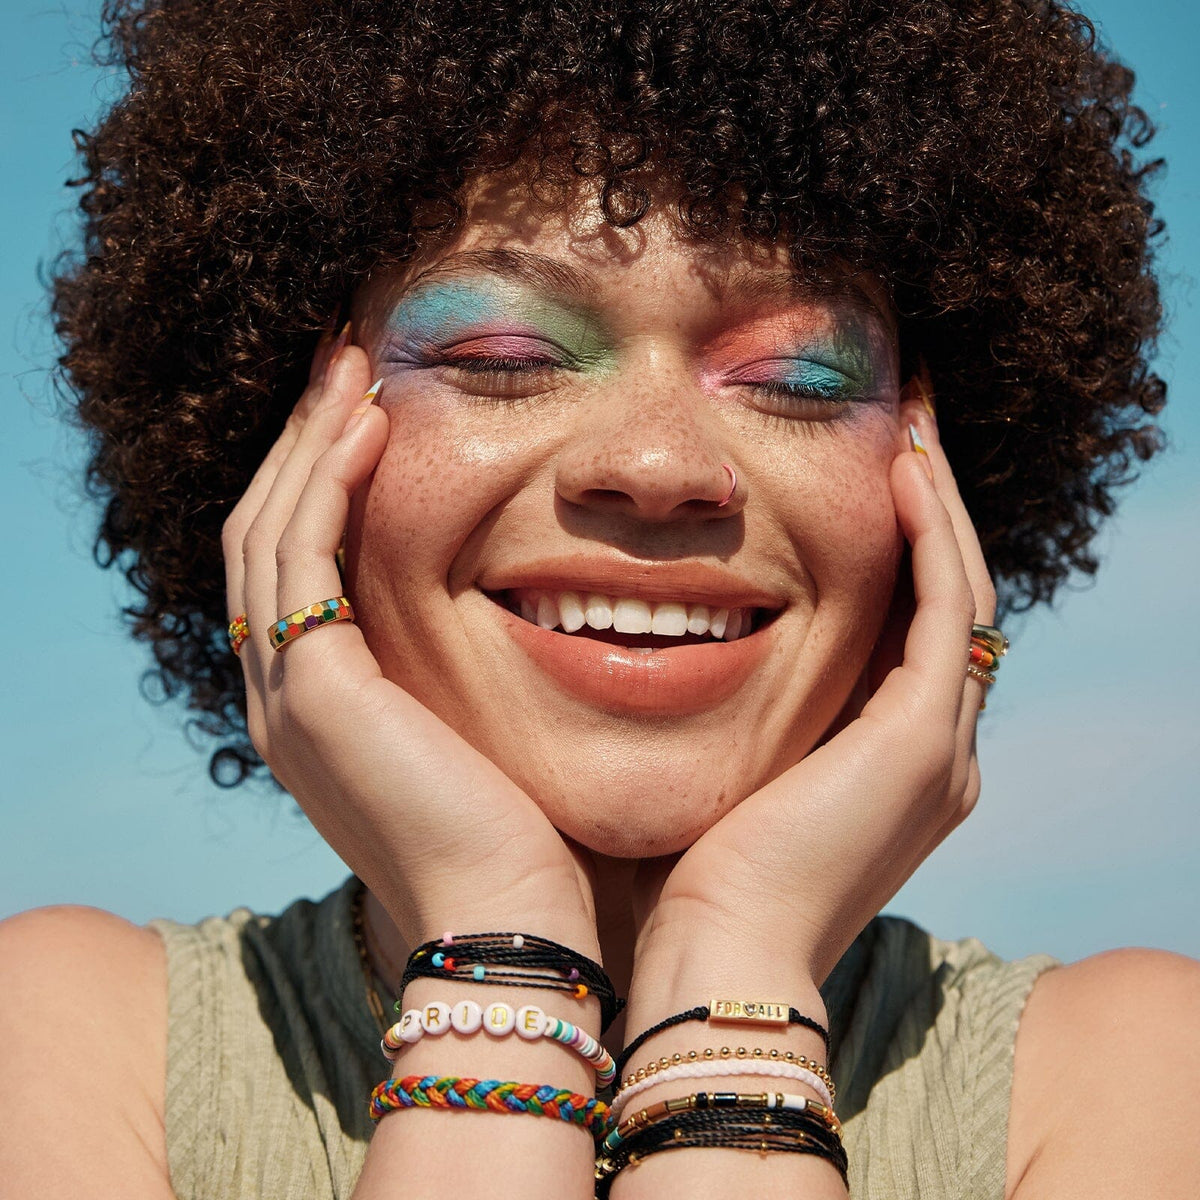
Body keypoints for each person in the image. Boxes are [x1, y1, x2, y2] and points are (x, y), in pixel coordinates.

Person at [3, 0, 1197, 1196]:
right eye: (501, 357)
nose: (661, 464)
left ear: (933, 470)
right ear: (286, 437)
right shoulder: (66, 1048)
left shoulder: (1132, 1080)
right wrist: (498, 940)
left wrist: (742, 951)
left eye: (796, 374)